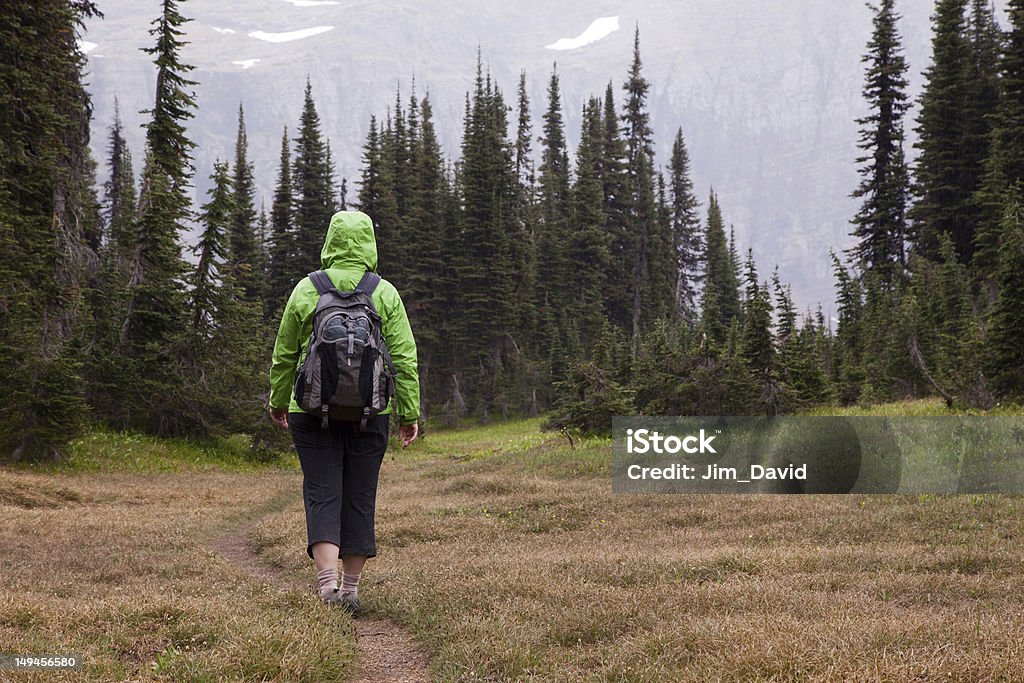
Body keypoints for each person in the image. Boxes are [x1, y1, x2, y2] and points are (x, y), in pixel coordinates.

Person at [268, 210, 420, 613]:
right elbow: (404, 358)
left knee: (322, 493)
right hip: (371, 414)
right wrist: (409, 413)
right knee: (359, 496)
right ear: (370, 241)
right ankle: (350, 590)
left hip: (311, 409)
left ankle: (325, 586)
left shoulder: (307, 288)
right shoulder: (383, 291)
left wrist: (278, 400)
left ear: (330, 241)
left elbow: (285, 354)